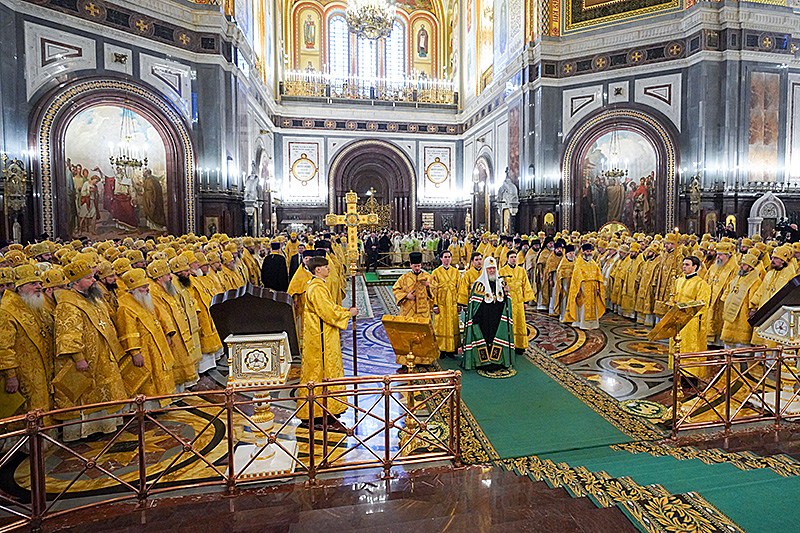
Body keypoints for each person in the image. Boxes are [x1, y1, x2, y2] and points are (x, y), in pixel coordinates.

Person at [54, 260, 127, 442]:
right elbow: (67, 333)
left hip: (104, 354)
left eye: (93, 277)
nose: (94, 280)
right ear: (76, 282)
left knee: (107, 391)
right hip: (86, 358)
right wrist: (79, 358)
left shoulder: (93, 297)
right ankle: (87, 430)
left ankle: (108, 424)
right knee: (87, 396)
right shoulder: (68, 304)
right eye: (88, 278)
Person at [296, 256, 357, 430]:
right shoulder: (316, 288)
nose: (329, 269)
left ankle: (328, 413)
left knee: (324, 372)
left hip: (322, 336)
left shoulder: (318, 285)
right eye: (325, 267)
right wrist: (348, 314)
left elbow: (330, 306)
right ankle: (320, 416)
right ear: (317, 270)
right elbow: (328, 312)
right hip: (320, 340)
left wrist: (345, 310)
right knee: (321, 374)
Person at [0, 265, 54, 417]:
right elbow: (4, 347)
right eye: (33, 284)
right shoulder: (7, 310)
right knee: (29, 412)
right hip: (23, 373)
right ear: (20, 287)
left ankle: (45, 439)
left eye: (39, 283)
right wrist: (10, 376)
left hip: (43, 367)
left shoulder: (35, 303)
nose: (39, 287)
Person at [116, 268, 176, 400]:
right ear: (134, 289)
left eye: (147, 286)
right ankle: (150, 408)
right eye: (144, 287)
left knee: (161, 373)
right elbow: (128, 331)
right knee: (149, 380)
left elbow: (159, 317)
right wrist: (135, 353)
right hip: (144, 349)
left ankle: (163, 401)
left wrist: (167, 335)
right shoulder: (125, 306)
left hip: (156, 343)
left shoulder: (144, 299)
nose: (148, 289)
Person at [147, 259, 199, 392]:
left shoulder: (165, 287)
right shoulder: (153, 291)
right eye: (167, 275)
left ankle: (182, 389)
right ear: (159, 278)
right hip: (172, 331)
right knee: (176, 361)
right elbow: (161, 313)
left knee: (182, 358)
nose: (171, 277)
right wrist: (169, 332)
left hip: (179, 326)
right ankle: (177, 391)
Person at [462, 257, 515, 372]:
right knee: (485, 339)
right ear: (485, 270)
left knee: (496, 337)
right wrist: (475, 318)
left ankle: (497, 361)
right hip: (483, 319)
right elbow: (474, 304)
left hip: (497, 318)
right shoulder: (479, 284)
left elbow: (505, 302)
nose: (492, 271)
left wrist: (506, 293)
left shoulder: (501, 283)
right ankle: (484, 362)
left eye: (493, 268)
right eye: (489, 268)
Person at [669, 255, 711, 383]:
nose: (684, 267)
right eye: (683, 264)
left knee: (689, 348)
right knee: (677, 346)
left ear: (695, 267)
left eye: (687, 265)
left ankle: (690, 377)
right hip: (677, 319)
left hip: (691, 322)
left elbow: (702, 304)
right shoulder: (679, 281)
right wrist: (672, 303)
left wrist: (683, 306)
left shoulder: (701, 284)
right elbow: (673, 296)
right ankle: (678, 373)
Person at [720, 253, 762, 351]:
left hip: (743, 313)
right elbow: (729, 288)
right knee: (728, 339)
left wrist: (752, 308)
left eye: (744, 265)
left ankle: (741, 358)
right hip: (731, 310)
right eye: (741, 264)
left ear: (750, 268)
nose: (741, 266)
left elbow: (754, 297)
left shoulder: (755, 280)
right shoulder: (738, 277)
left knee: (740, 343)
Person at [499, 249, 535, 353]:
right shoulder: (502, 271)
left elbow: (526, 286)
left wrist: (526, 301)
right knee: (509, 322)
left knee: (520, 323)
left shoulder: (521, 270)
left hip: (519, 301)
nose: (514, 259)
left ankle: (520, 345)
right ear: (507, 259)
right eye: (512, 257)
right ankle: (509, 344)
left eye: (515, 257)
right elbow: (499, 286)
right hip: (508, 301)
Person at [565, 243, 605, 330]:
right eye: (587, 251)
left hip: (593, 287)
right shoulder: (579, 263)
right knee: (582, 306)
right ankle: (582, 323)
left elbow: (598, 277)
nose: (589, 253)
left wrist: (598, 288)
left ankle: (593, 323)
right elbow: (576, 279)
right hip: (583, 287)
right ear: (583, 252)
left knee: (592, 306)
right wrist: (578, 290)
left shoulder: (593, 263)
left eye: (590, 251)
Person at [705, 241, 738, 346]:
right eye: (717, 254)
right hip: (710, 299)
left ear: (728, 256)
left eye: (721, 255)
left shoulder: (735, 269)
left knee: (720, 323)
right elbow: (705, 280)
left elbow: (733, 285)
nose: (718, 257)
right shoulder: (714, 266)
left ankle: (719, 345)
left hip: (722, 302)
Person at [431, 250, 461, 357]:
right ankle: (441, 349)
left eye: (449, 257)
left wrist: (459, 303)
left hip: (452, 303)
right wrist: (434, 305)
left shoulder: (455, 271)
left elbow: (459, 288)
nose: (447, 259)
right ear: (441, 259)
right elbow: (433, 290)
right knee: (441, 326)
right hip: (441, 304)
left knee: (453, 324)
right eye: (445, 257)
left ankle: (452, 349)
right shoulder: (436, 272)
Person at [392, 252, 436, 321]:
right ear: (410, 265)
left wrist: (428, 286)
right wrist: (406, 296)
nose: (417, 268)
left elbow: (435, 291)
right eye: (415, 266)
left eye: (419, 266)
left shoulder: (428, 277)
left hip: (423, 311)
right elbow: (395, 289)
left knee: (423, 329)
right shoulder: (404, 278)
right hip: (409, 309)